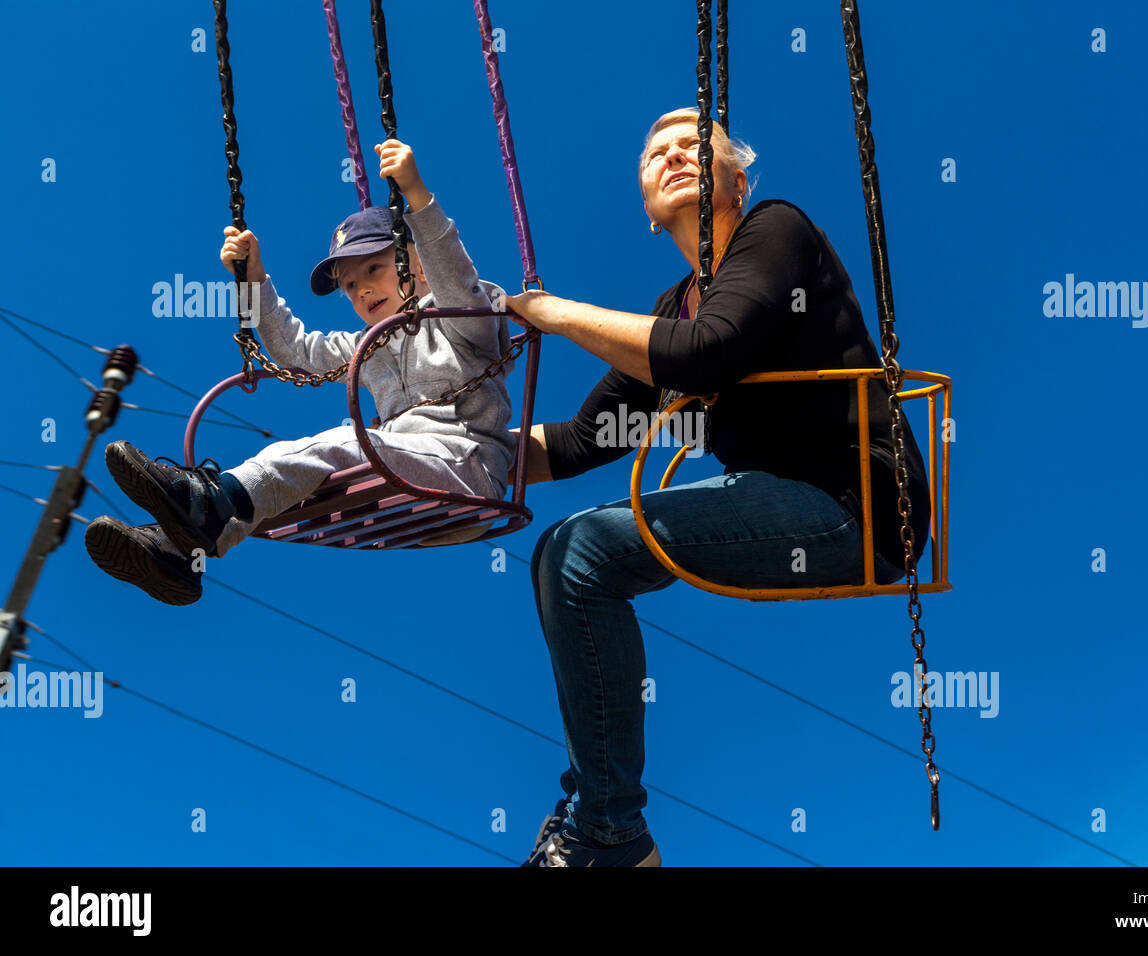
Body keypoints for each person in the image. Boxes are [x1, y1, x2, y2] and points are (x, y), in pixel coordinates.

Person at [504, 108, 932, 867]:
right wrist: (428, 460)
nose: (672, 157)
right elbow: (577, 442)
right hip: (779, 493)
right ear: (644, 207)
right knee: (561, 555)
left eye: (693, 148)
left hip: (853, 504)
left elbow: (710, 351)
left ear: (736, 179)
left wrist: (552, 312)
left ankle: (606, 832)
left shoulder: (777, 230)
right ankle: (604, 823)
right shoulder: (673, 311)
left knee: (580, 553)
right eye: (655, 153)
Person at [84, 139, 516, 605]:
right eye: (349, 285)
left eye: (374, 268)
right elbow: (294, 350)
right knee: (294, 480)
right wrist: (254, 280)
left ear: (418, 268)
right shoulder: (365, 349)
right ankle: (173, 556)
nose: (363, 288)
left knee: (343, 443)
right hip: (406, 471)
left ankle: (201, 500)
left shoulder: (461, 321)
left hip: (465, 469)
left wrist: (416, 196)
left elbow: (456, 280)